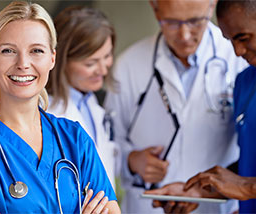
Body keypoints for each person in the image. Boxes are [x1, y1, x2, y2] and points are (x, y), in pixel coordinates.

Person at [0, 1, 120, 214]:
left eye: (36, 50)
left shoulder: (74, 138)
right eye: (8, 50)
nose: (23, 63)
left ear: (52, 58)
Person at [104, 0, 248, 213]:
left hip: (216, 207)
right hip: (148, 206)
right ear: (154, 8)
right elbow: (106, 143)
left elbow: (253, 146)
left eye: (195, 21)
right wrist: (131, 161)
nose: (185, 35)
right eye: (171, 22)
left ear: (211, 6)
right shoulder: (128, 65)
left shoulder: (239, 58)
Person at [183, 0, 256, 213]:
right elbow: (254, 159)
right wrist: (202, 189)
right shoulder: (245, 83)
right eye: (230, 41)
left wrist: (248, 188)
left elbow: (248, 185)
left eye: (243, 38)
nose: (237, 51)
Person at [45, 6, 119, 189]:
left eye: (107, 56)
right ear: (60, 60)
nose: (103, 69)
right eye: (91, 63)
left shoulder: (91, 104)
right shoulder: (46, 112)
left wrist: (133, 162)